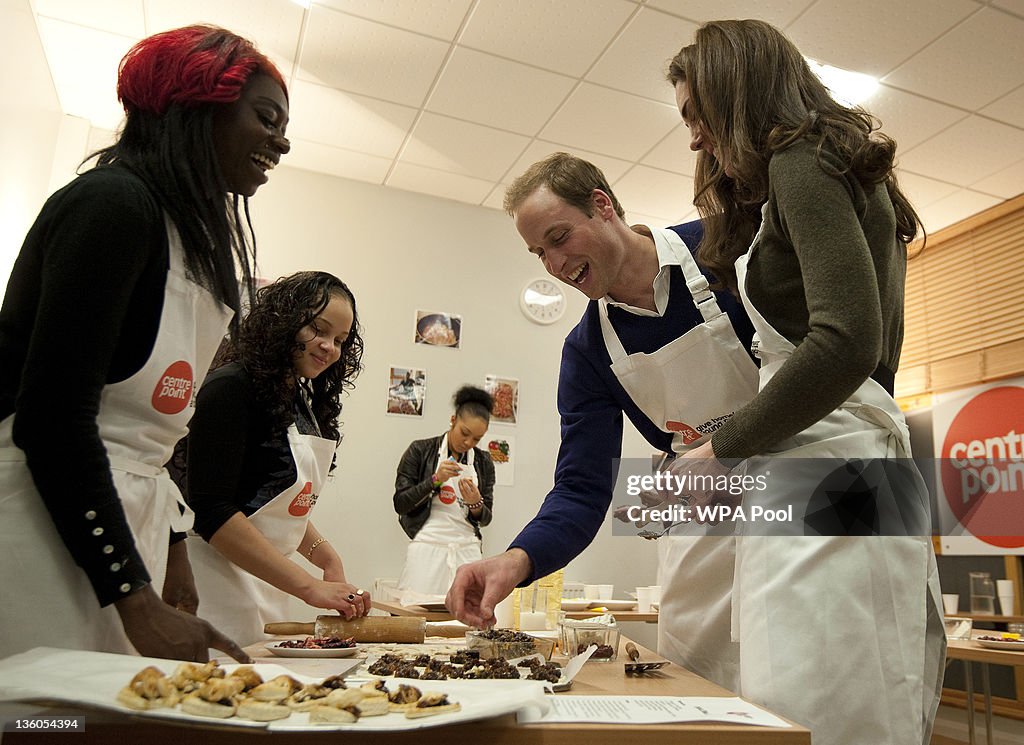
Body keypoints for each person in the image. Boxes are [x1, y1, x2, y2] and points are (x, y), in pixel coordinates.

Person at [666, 19, 944, 745]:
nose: (694, 137)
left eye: (696, 115)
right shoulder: (830, 166)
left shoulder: (803, 159)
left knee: (810, 705)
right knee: (853, 689)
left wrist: (723, 446)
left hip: (827, 462)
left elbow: (847, 342)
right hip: (842, 457)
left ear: (737, 93)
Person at [0, 25, 289, 662]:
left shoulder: (188, 241)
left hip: (130, 520)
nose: (282, 141)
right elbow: (52, 422)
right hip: (42, 516)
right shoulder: (110, 206)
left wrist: (173, 547)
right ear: (194, 105)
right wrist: (132, 594)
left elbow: (156, 440)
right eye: (266, 117)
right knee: (44, 720)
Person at [445, 153, 760, 691]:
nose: (554, 264)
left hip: (803, 485)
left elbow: (823, 353)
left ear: (602, 205)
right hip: (704, 519)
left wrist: (724, 446)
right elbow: (581, 488)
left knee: (810, 689)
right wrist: (518, 560)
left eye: (560, 236)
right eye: (539, 252)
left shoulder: (728, 244)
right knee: (701, 693)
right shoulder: (588, 351)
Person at [184, 271, 370, 646]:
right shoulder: (230, 389)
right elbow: (213, 510)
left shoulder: (299, 397)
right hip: (213, 583)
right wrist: (308, 587)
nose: (328, 347)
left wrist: (325, 557)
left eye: (339, 340)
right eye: (318, 329)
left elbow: (275, 503)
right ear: (284, 320)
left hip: (266, 586)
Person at [394, 386, 496, 602]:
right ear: (453, 420)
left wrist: (475, 503)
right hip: (427, 547)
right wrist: (434, 480)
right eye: (464, 433)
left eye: (477, 439)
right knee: (417, 611)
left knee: (467, 615)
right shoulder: (420, 450)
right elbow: (400, 503)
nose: (468, 443)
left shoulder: (483, 462)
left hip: (467, 551)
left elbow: (486, 518)